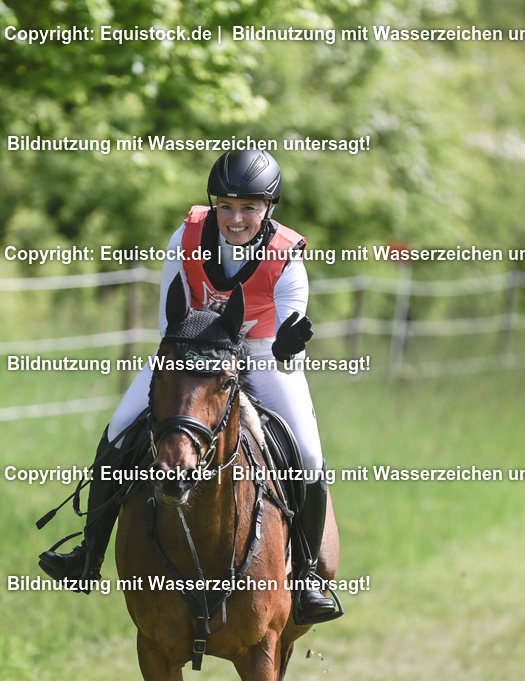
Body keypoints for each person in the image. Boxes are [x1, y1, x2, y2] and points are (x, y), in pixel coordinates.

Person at [39, 148, 340, 625]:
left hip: (263, 354)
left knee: (305, 451)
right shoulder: (187, 237)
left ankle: (304, 577)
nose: (235, 218)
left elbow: (291, 335)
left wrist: (286, 345)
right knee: (119, 429)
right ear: (213, 206)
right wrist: (196, 354)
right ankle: (88, 553)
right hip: (192, 348)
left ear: (269, 210)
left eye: (248, 208)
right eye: (225, 206)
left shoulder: (287, 257)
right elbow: (168, 320)